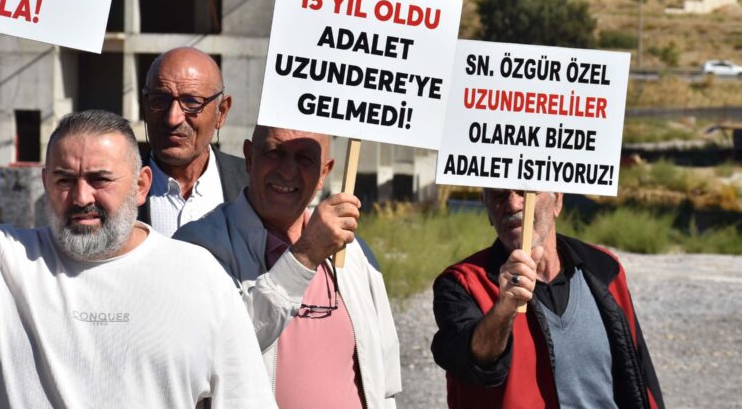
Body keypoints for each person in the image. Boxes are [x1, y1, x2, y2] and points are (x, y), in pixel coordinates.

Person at [0, 109, 274, 408]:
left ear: (141, 185)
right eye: (65, 180)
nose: (82, 197)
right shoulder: (0, 258)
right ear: (45, 183)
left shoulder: (200, 276)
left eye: (100, 179)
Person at [175, 126, 401, 408]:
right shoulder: (199, 245)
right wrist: (305, 256)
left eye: (305, 158)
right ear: (249, 157)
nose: (287, 171)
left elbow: (384, 381)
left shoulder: (354, 254)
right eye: (275, 152)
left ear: (324, 172)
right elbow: (214, 353)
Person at [431, 189, 664, 408]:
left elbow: (640, 372)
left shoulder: (603, 268)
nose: (513, 204)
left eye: (526, 192)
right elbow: (470, 360)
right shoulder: (463, 283)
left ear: (558, 201)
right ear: (487, 210)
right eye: (499, 196)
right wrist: (505, 307)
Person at [140, 47, 247, 236]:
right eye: (159, 100)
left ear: (221, 112)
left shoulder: (252, 185)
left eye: (191, 102)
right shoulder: (117, 187)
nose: (173, 118)